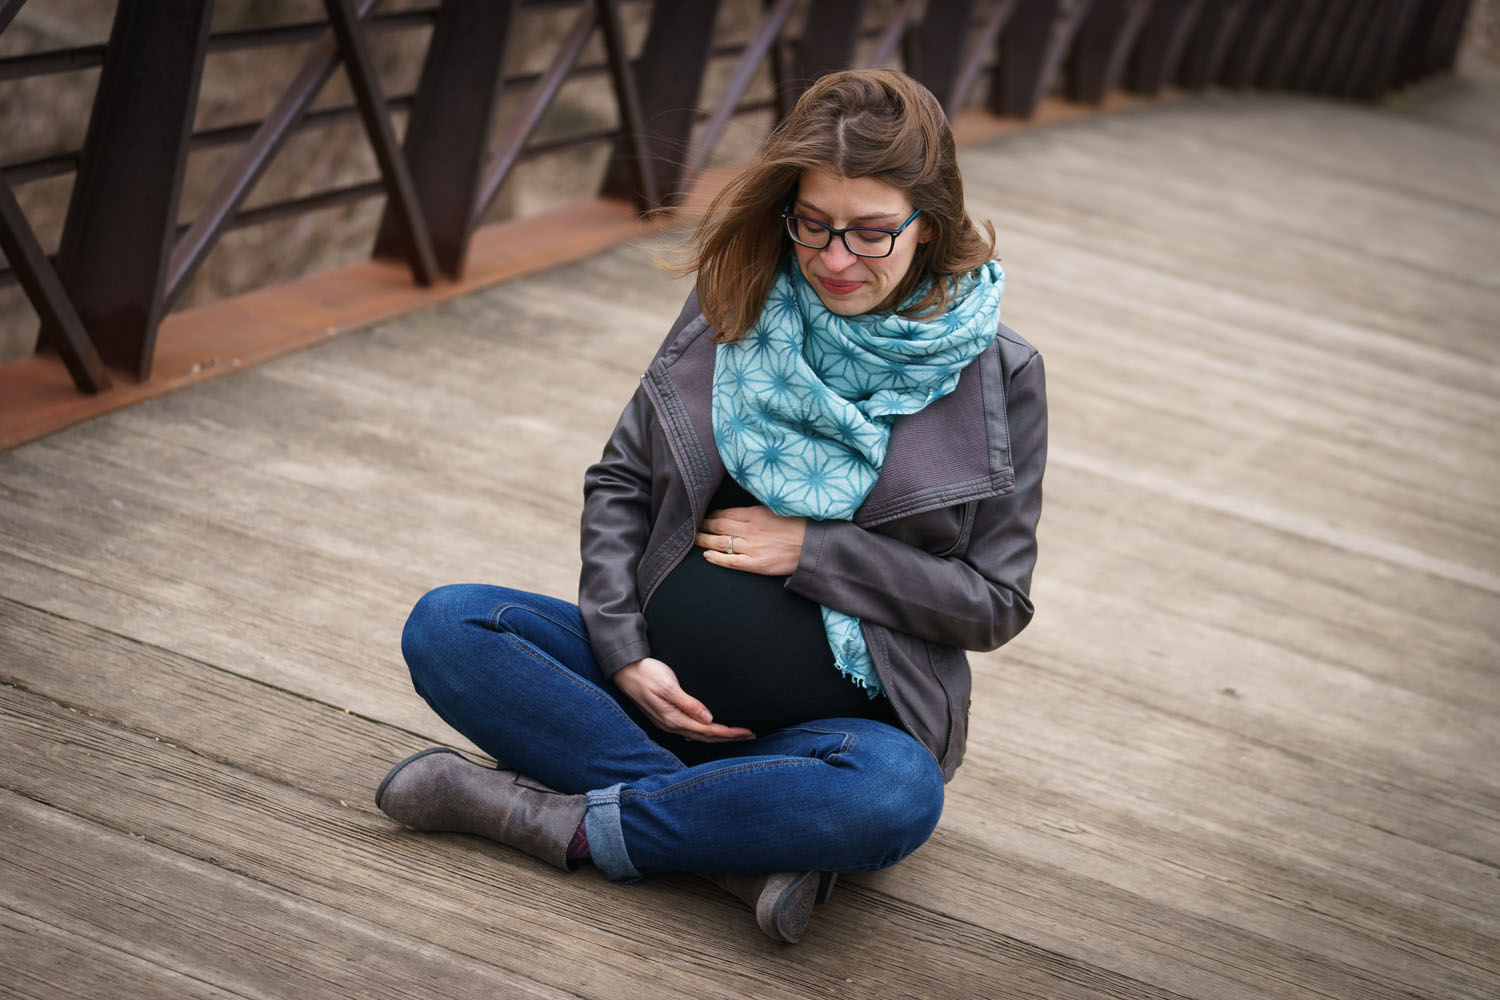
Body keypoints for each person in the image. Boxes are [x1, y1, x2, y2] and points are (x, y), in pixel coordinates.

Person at [374, 69, 1046, 944]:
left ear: (934, 223)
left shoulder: (1002, 375)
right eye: (813, 225)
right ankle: (729, 844)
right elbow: (620, 480)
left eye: (874, 234)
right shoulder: (733, 297)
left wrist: (816, 552)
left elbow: (996, 603)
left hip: (824, 741)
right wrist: (621, 654)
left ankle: (547, 817)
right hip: (639, 693)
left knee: (894, 795)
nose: (836, 259)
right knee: (449, 625)